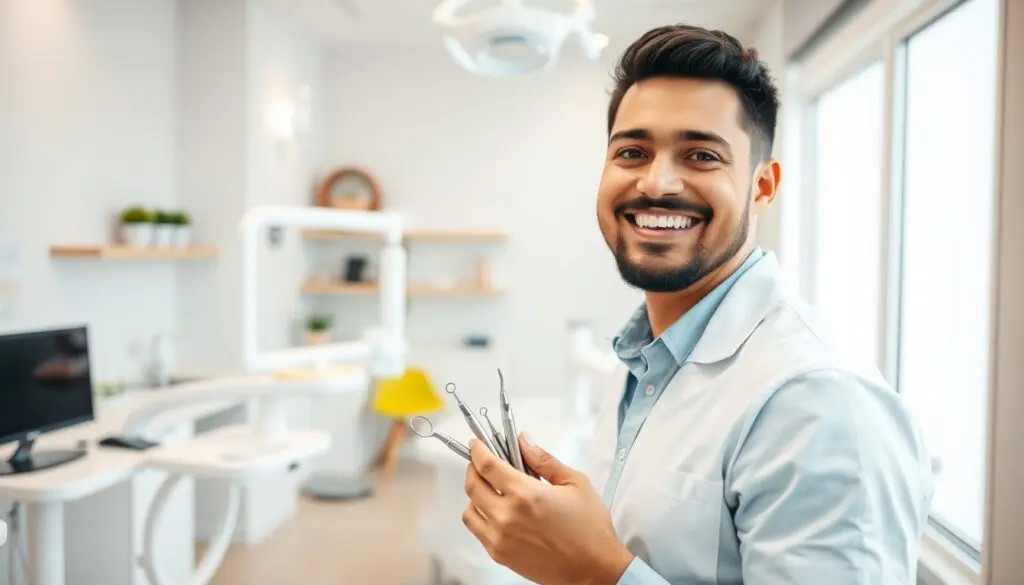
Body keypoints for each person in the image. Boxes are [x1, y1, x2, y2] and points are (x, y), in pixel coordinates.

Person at [460, 23, 934, 585]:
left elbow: (604, 565)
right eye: (632, 152)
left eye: (701, 155)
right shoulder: (642, 359)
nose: (656, 183)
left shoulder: (821, 402)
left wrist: (593, 571)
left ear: (763, 185)